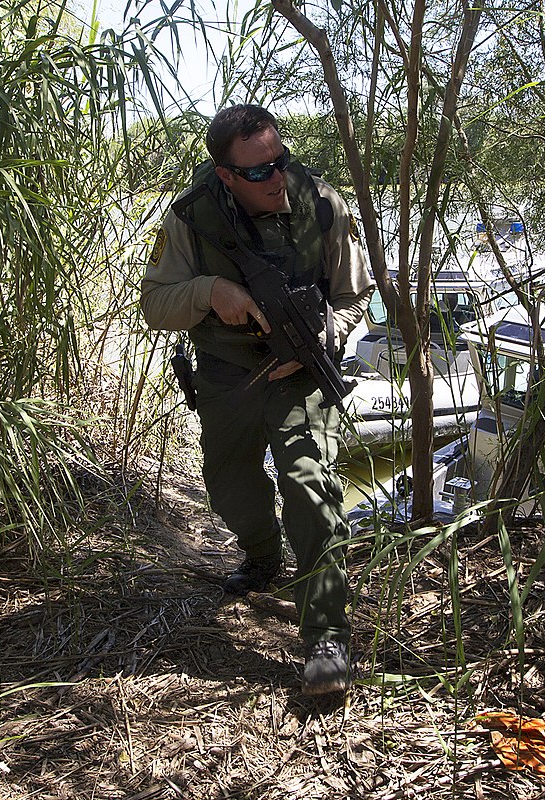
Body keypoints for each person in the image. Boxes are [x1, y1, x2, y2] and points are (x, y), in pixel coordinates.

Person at [140, 104, 373, 695]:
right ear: (225, 175)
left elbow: (352, 298)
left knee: (309, 485)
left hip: (300, 374)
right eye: (256, 172)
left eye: (279, 162)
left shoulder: (324, 208)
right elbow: (156, 303)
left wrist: (323, 337)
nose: (274, 178)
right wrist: (211, 291)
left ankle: (326, 633)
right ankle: (262, 555)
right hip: (226, 374)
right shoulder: (191, 220)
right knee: (229, 485)